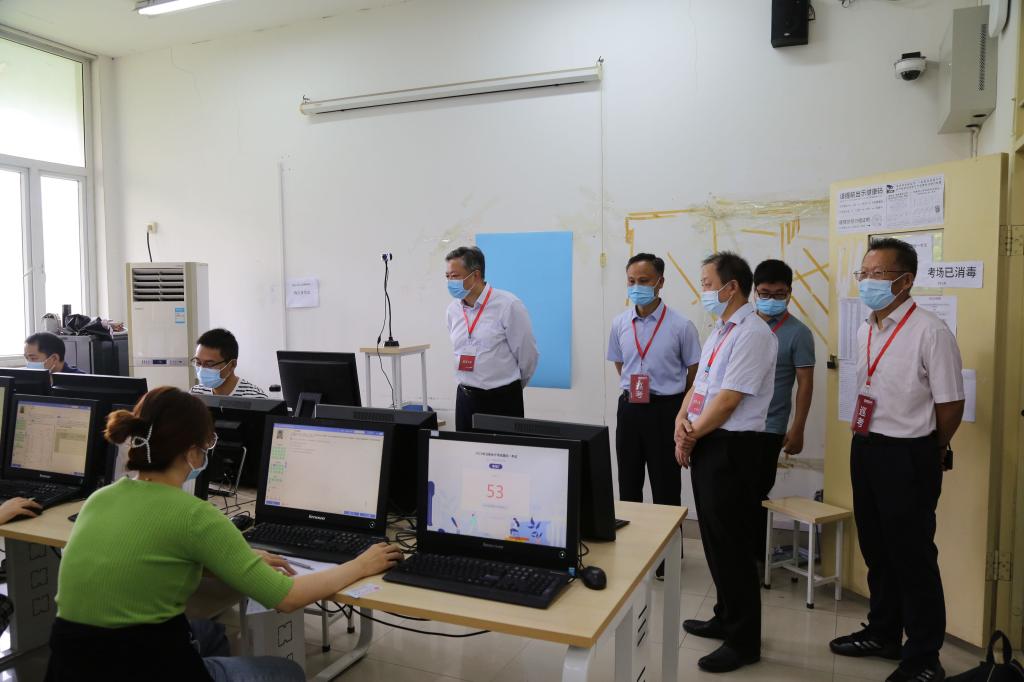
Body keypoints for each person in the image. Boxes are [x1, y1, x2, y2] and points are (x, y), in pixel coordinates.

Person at [45, 386, 402, 681]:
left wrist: (233, 560)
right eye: (207, 446)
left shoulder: (100, 499)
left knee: (211, 634)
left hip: (70, 668)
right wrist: (362, 564)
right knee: (286, 672)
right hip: (146, 668)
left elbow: (146, 557)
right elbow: (288, 598)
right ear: (193, 453)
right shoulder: (194, 516)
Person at [829, 238, 964, 682]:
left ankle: (924, 656)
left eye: (877, 274)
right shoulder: (867, 328)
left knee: (912, 555)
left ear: (905, 281)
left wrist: (934, 448)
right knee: (876, 547)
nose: (867, 281)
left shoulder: (931, 331)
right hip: (867, 446)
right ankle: (883, 632)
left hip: (909, 453)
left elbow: (951, 403)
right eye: (863, 273)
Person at [674, 252, 777, 673]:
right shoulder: (720, 330)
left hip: (734, 447)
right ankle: (725, 616)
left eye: (706, 283)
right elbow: (699, 386)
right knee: (715, 540)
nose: (702, 290)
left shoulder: (753, 333)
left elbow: (729, 400)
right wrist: (680, 421)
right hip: (709, 440)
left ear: (731, 287)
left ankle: (743, 641)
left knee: (733, 546)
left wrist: (692, 434)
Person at [607, 253, 701, 576]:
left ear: (660, 283)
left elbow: (694, 373)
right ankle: (632, 552)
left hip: (666, 410)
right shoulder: (620, 323)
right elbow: (620, 363)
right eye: (631, 281)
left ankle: (667, 559)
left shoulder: (681, 325)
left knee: (666, 486)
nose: (637, 287)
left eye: (644, 281)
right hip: (630, 409)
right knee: (628, 482)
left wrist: (678, 407)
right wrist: (636, 390)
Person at [751, 259, 815, 561]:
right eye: (765, 293)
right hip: (734, 424)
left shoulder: (798, 333)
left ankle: (757, 557)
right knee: (733, 492)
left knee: (756, 493)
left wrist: (797, 428)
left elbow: (805, 384)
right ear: (754, 291)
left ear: (789, 293)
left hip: (770, 427)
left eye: (779, 294)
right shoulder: (743, 325)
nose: (771, 300)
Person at [445, 246, 539, 431]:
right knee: (464, 449)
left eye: (455, 276)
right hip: (466, 398)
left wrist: (511, 387)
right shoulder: (452, 310)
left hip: (502, 399)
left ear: (476, 275)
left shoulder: (508, 305)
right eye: (447, 276)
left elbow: (528, 355)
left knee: (504, 449)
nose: (450, 282)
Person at [189, 328, 268, 398]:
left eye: (209, 364)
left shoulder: (256, 398)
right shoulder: (196, 394)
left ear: (232, 365)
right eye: (198, 362)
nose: (202, 369)